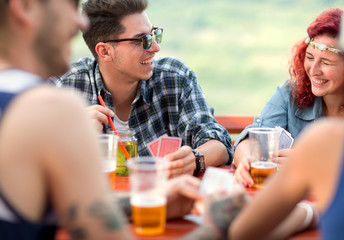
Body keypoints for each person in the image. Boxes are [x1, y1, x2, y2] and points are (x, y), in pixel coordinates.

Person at [0, 0, 204, 239]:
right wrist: (220, 225)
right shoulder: (51, 108)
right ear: (24, 7)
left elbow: (76, 207)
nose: (80, 23)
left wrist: (145, 200)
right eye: (70, 5)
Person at [49, 0, 233, 178]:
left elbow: (219, 143)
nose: (155, 47)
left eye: (153, 35)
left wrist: (194, 159)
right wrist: (72, 139)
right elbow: (32, 164)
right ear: (105, 51)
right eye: (140, 40)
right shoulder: (63, 87)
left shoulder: (174, 78)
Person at [227, 2, 344, 239]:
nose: (314, 70)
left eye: (326, 63)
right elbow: (251, 135)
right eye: (310, 57)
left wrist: (307, 168)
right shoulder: (292, 92)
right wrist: (246, 159)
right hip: (287, 212)